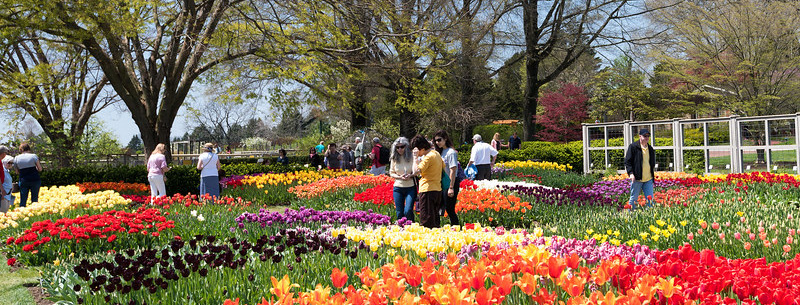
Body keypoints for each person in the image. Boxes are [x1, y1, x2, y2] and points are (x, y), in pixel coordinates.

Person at [410, 135, 444, 228]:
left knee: (426, 220)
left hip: (427, 190)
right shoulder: (436, 154)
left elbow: (416, 171)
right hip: (437, 189)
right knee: (435, 219)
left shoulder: (428, 157)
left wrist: (415, 158)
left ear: (420, 148)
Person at [433, 130, 460, 226]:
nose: (437, 142)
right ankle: (437, 227)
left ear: (445, 139)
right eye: (435, 140)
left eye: (439, 140)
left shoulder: (451, 152)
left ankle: (456, 228)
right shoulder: (440, 152)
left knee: (449, 208)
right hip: (442, 183)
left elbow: (453, 170)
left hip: (450, 183)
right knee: (438, 207)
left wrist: (451, 187)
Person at [625, 129, 656, 209]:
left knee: (650, 200)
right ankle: (630, 215)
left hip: (648, 179)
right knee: (633, 199)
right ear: (640, 136)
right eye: (645, 136)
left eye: (648, 136)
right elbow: (628, 162)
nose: (647, 138)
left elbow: (651, 162)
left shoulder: (650, 149)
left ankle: (650, 216)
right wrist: (631, 173)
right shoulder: (633, 147)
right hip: (637, 179)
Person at [388, 137, 416, 222]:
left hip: (410, 186)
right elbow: (391, 172)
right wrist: (400, 177)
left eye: (402, 146)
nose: (400, 149)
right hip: (398, 187)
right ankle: (401, 229)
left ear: (406, 146)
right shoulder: (394, 158)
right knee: (399, 212)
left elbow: (417, 171)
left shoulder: (412, 157)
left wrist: (411, 175)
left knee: (408, 210)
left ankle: (412, 227)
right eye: (397, 147)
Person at [14, 143, 42, 207]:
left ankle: (21, 213)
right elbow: (40, 169)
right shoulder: (33, 156)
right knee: (34, 199)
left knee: (23, 199)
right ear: (29, 148)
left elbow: (17, 172)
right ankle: (35, 213)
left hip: (24, 180)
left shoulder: (16, 158)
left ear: (21, 149)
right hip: (35, 179)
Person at [0, 146, 13, 212]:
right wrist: (2, 190)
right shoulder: (1, 166)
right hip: (3, 193)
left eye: (11, 163)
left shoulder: (7, 171)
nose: (10, 164)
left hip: (7, 193)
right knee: (2, 211)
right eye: (9, 163)